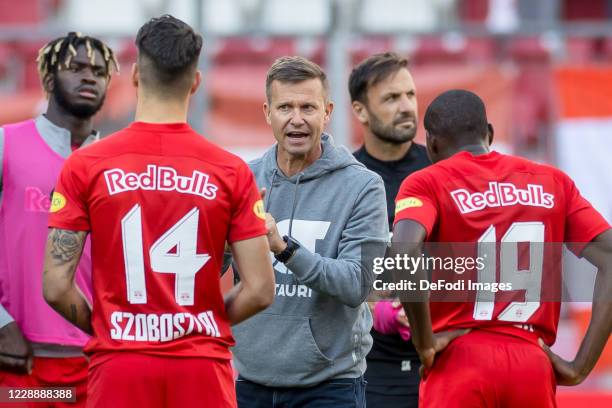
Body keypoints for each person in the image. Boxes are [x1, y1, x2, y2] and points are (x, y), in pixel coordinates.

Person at [42, 15, 275, 408]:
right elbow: (260, 289)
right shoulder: (230, 170)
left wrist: (110, 325)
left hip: (120, 364)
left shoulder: (86, 165)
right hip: (202, 367)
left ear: (134, 75)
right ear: (196, 82)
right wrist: (201, 324)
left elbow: (55, 286)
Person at [393, 89, 612, 407]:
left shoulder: (426, 181)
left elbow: (402, 254)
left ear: (432, 143)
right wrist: (581, 365)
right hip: (531, 361)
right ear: (490, 134)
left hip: (459, 358)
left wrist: (424, 341)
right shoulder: (552, 181)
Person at [231, 56, 388, 408]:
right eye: (285, 107)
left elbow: (356, 284)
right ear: (267, 113)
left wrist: (282, 247)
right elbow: (212, 268)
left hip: (329, 388)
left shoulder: (363, 186)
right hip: (249, 383)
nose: (296, 119)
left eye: (308, 107)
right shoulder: (242, 179)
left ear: (327, 112)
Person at [0, 32, 117, 406]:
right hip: (21, 359)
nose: (89, 77)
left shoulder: (118, 163)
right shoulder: (6, 145)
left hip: (96, 358)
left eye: (99, 72)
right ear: (49, 79)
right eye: (77, 68)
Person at [350, 52, 429, 407]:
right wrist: (375, 305)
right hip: (371, 368)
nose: (406, 107)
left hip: (442, 359)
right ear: (360, 111)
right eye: (391, 98)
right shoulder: (345, 179)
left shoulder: (441, 170)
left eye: (410, 95)